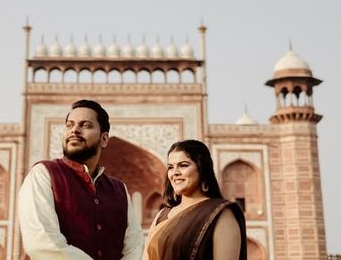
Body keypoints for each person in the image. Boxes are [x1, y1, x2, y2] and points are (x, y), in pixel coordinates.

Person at [18, 99, 144, 260]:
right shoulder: (43, 174)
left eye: (85, 125)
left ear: (104, 139)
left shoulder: (119, 189)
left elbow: (134, 246)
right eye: (70, 125)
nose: (74, 130)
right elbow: (41, 242)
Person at [143, 139, 247, 260]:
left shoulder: (220, 213)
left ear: (202, 169)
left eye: (183, 165)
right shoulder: (162, 214)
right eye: (171, 167)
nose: (175, 173)